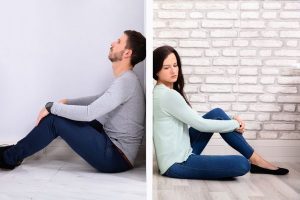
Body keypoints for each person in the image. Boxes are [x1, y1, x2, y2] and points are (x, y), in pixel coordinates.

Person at [0, 30, 146, 173]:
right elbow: (98, 100)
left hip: (116, 157)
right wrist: (67, 102)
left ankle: (9, 158)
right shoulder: (126, 79)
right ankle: (14, 152)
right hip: (112, 147)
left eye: (119, 41)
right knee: (61, 115)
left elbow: (89, 113)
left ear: (127, 53)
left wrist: (51, 107)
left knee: (54, 120)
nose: (112, 43)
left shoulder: (126, 82)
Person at [153, 45, 288, 180]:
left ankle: (257, 161)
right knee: (242, 164)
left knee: (216, 114)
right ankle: (256, 161)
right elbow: (201, 124)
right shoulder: (168, 96)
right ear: (156, 71)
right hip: (177, 163)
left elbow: (196, 120)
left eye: (175, 65)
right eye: (166, 67)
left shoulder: (162, 92)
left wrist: (230, 120)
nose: (173, 71)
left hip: (182, 151)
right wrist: (234, 124)